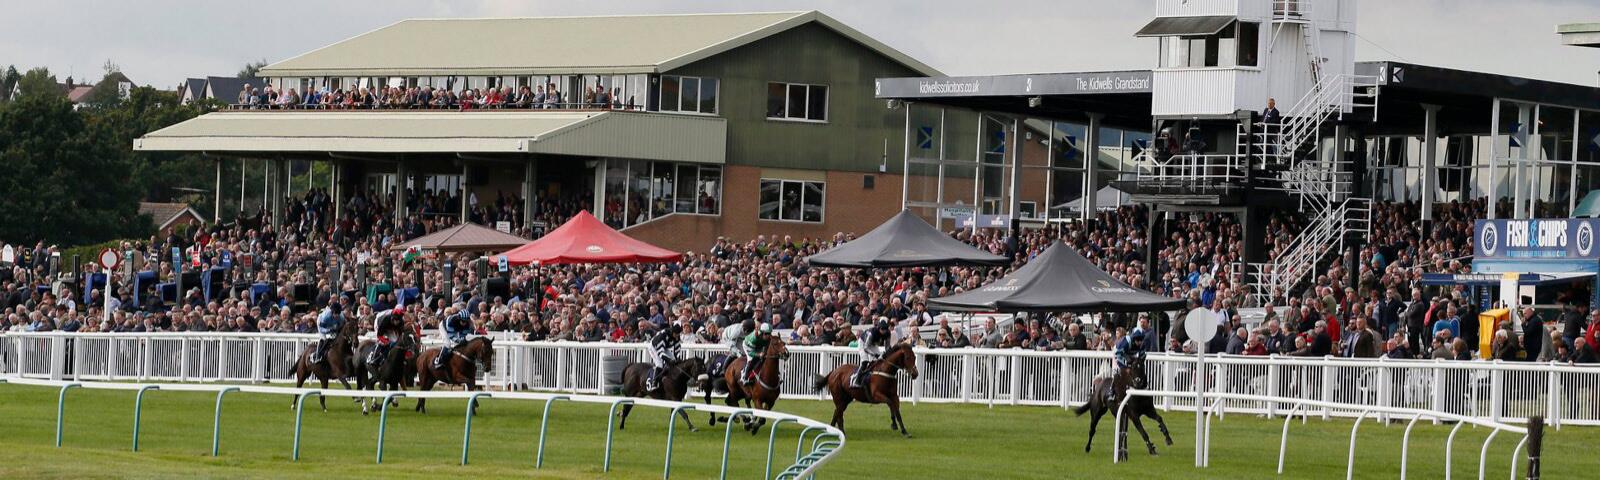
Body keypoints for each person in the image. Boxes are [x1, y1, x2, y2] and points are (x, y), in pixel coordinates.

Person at [851, 319, 891, 389]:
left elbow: (887, 347)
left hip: (873, 344)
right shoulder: (872, 333)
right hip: (863, 343)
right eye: (882, 329)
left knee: (880, 360)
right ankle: (856, 380)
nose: (884, 331)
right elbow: (866, 348)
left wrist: (887, 354)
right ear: (879, 328)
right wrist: (874, 354)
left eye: (885, 329)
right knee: (865, 361)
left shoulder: (888, 333)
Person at [646, 319, 682, 392]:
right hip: (654, 347)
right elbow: (660, 352)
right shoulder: (663, 335)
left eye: (678, 334)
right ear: (672, 331)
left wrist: (676, 358)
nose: (677, 336)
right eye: (676, 333)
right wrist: (668, 360)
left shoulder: (677, 336)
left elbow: (677, 348)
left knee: (674, 360)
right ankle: (654, 382)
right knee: (659, 364)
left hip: (664, 347)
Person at [434, 305, 473, 370]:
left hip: (455, 329)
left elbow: (463, 336)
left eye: (466, 321)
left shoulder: (468, 324)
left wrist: (462, 340)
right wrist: (459, 340)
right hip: (444, 327)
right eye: (463, 321)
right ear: (459, 318)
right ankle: (438, 360)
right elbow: (451, 336)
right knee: (447, 343)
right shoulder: (451, 321)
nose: (464, 323)